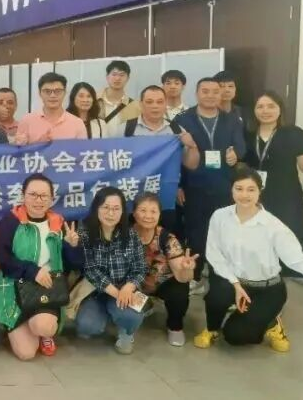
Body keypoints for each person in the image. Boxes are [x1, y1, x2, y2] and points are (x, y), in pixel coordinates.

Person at [194, 165, 303, 351]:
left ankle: (272, 323)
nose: (244, 195)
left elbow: (296, 259)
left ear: (259, 191)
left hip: (267, 289)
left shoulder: (272, 226)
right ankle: (212, 328)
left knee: (234, 336)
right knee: (217, 295)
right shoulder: (220, 216)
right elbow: (214, 253)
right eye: (239, 188)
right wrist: (235, 284)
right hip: (234, 282)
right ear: (231, 189)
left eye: (251, 189)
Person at [0, 173, 82, 359]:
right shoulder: (10, 221)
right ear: (23, 195)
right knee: (26, 354)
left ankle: (43, 332)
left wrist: (71, 247)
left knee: (43, 326)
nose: (38, 200)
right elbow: (2, 258)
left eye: (44, 196)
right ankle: (25, 326)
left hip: (47, 288)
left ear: (51, 198)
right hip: (14, 286)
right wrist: (32, 271)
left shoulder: (58, 223)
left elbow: (72, 265)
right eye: (33, 195)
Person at [174, 77, 246, 290]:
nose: (210, 95)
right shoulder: (182, 119)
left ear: (221, 94)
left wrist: (236, 154)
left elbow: (241, 145)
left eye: (215, 91)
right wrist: (178, 185)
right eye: (205, 91)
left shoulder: (231, 119)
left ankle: (220, 278)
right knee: (195, 232)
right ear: (196, 94)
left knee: (224, 234)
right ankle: (195, 275)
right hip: (194, 185)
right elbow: (174, 155)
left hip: (224, 185)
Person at [245, 91, 303, 261]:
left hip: (286, 195)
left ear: (280, 109)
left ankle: (286, 277)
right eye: (260, 106)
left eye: (271, 106)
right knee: (256, 241)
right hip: (254, 196)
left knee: (288, 241)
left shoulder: (294, 133)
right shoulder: (247, 133)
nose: (265, 110)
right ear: (254, 110)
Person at [75, 187, 148, 354]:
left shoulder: (131, 235)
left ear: (122, 212)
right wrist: (117, 294)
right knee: (87, 327)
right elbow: (90, 269)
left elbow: (140, 267)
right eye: (105, 207)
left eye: (116, 209)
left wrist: (129, 287)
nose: (110, 213)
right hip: (95, 291)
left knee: (132, 318)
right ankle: (110, 315)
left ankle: (126, 331)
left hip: (125, 289)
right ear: (96, 208)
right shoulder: (85, 233)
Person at [131, 192, 196, 347]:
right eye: (143, 210)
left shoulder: (167, 238)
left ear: (159, 215)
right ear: (134, 213)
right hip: (134, 284)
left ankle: (175, 327)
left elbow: (183, 277)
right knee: (129, 309)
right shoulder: (125, 235)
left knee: (180, 289)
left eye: (153, 211)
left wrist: (187, 269)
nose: (148, 216)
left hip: (161, 283)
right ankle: (144, 305)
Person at [118, 86, 201, 169]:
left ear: (165, 104)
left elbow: (192, 165)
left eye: (160, 102)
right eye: (149, 102)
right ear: (141, 104)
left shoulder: (176, 129)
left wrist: (192, 146)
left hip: (167, 177)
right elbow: (114, 162)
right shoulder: (125, 128)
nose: (155, 106)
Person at [14, 72, 87, 144]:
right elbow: (19, 150)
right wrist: (38, 145)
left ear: (64, 93)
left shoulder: (77, 123)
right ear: (39, 93)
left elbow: (83, 150)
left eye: (57, 91)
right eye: (47, 91)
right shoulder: (27, 121)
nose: (52, 95)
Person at [99, 60, 141, 128]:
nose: (117, 78)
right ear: (107, 77)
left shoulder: (134, 106)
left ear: (128, 78)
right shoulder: (94, 101)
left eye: (122, 75)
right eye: (114, 74)